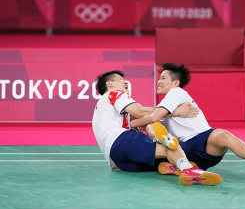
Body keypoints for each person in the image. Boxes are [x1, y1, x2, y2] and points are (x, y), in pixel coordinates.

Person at [130, 63, 245, 178]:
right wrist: (172, 114)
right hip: (192, 150)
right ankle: (182, 166)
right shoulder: (168, 104)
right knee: (223, 135)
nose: (159, 81)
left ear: (176, 83)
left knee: (222, 134)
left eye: (163, 78)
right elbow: (155, 116)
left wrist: (132, 123)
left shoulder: (176, 92)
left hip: (200, 139)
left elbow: (154, 116)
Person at [92, 70, 222, 186]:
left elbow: (139, 122)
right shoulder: (114, 94)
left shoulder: (105, 109)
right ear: (110, 84)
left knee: (159, 156)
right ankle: (189, 170)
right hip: (121, 141)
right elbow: (141, 111)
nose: (126, 84)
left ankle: (170, 166)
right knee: (172, 146)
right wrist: (175, 111)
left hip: (117, 161)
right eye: (122, 81)